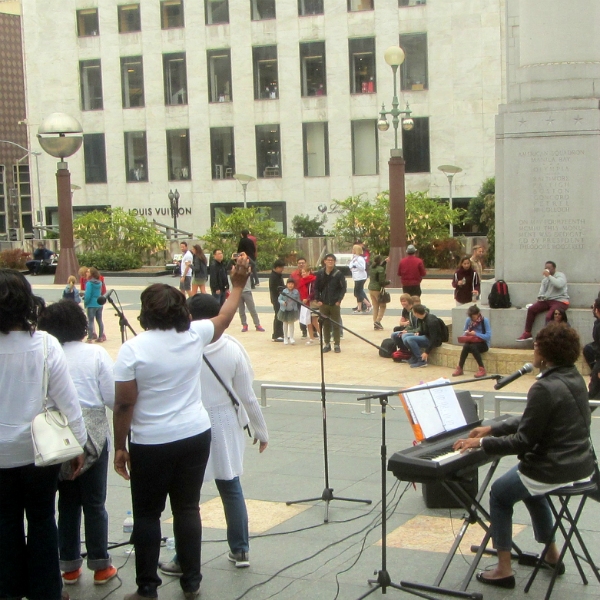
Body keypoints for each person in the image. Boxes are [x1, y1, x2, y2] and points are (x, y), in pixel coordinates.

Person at [113, 255, 251, 600]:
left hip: (151, 441)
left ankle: (147, 588)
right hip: (194, 435)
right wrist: (236, 285)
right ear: (180, 311)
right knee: (187, 509)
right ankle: (192, 582)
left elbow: (125, 404)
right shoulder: (194, 335)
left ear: (146, 313)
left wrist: (119, 445)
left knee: (148, 514)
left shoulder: (132, 350)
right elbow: (225, 316)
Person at [453, 323, 594, 589]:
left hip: (552, 469)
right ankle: (552, 554)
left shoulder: (543, 387)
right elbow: (535, 418)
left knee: (500, 493)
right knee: (529, 488)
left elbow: (524, 441)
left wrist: (483, 443)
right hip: (580, 466)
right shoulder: (573, 376)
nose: (533, 349)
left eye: (536, 345)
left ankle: (504, 569)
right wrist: (493, 427)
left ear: (544, 351)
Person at [159, 295, 269, 576]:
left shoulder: (180, 347)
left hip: (190, 422)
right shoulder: (232, 348)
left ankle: (184, 560)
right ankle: (241, 548)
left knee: (186, 497)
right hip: (225, 422)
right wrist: (261, 429)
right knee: (230, 485)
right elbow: (247, 395)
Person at [0, 269, 86, 600]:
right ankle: (46, 589)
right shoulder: (46, 344)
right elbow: (68, 401)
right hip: (39, 451)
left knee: (5, 522)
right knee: (41, 520)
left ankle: (9, 587)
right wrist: (77, 444)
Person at [37, 300, 117, 587]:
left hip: (57, 435)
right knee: (95, 502)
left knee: (67, 503)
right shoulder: (95, 353)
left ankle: (69, 566)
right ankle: (100, 565)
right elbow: (112, 397)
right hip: (93, 433)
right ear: (81, 325)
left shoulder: (45, 353)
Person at [516, 261, 569, 341]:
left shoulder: (560, 276)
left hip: (560, 300)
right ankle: (527, 333)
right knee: (531, 309)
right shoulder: (545, 278)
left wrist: (549, 276)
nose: (547, 269)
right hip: (547, 300)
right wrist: (540, 297)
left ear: (554, 268)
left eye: (549, 268)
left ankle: (547, 337)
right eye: (545, 268)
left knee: (549, 316)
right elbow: (542, 290)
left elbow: (559, 284)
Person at [315, 253, 346, 353]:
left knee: (336, 324)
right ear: (324, 261)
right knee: (325, 324)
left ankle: (337, 344)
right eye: (328, 260)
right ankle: (327, 344)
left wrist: (339, 300)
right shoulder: (320, 273)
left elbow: (343, 288)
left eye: (332, 260)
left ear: (334, 262)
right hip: (323, 303)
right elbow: (316, 288)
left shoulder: (338, 274)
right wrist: (318, 299)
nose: (330, 262)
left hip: (334, 303)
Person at [452, 305, 491, 378]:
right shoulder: (468, 320)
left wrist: (476, 334)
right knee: (466, 346)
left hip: (483, 344)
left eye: (474, 317)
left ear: (478, 314)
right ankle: (460, 367)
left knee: (473, 346)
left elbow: (488, 336)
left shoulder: (484, 321)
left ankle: (482, 368)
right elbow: (465, 332)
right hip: (471, 342)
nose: (472, 319)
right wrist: (466, 333)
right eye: (471, 317)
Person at [402, 303, 443, 368]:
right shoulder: (422, 318)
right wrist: (419, 332)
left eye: (413, 312)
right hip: (426, 336)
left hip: (433, 340)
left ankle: (421, 361)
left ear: (416, 313)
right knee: (405, 337)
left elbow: (434, 338)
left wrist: (426, 352)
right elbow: (425, 330)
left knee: (410, 339)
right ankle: (414, 357)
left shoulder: (431, 321)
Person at [234, 254, 265, 333]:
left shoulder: (247, 268)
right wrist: (233, 258)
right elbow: (227, 266)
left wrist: (247, 255)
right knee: (241, 310)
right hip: (238, 292)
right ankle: (244, 325)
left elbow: (253, 264)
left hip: (247, 291)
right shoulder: (235, 269)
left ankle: (257, 324)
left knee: (252, 309)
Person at [368, 255, 390, 331]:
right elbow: (381, 281)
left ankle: (375, 323)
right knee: (383, 306)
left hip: (371, 288)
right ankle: (378, 321)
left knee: (375, 307)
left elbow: (378, 268)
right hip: (377, 289)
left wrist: (385, 262)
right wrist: (389, 282)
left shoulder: (371, 267)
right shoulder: (380, 269)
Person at [84, 267, 106, 343]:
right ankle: (101, 337)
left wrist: (85, 302)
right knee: (99, 320)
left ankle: (90, 338)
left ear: (91, 274)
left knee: (90, 321)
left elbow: (88, 295)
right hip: (99, 304)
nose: (86, 273)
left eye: (88, 272)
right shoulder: (99, 282)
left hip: (91, 304)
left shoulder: (89, 283)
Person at [349, 244, 372, 314]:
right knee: (358, 292)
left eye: (353, 249)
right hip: (356, 277)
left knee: (357, 293)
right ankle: (359, 308)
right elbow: (350, 265)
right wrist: (352, 266)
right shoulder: (354, 258)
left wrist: (356, 265)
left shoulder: (360, 258)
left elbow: (362, 268)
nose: (352, 250)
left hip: (361, 277)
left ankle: (368, 304)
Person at [278, 278, 300, 345]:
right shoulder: (284, 291)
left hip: (292, 309)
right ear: (286, 284)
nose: (290, 285)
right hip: (284, 309)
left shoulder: (296, 292)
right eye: (289, 284)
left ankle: (291, 337)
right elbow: (279, 299)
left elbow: (298, 299)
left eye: (292, 284)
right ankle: (285, 337)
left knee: (291, 323)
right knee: (285, 323)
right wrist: (282, 302)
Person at [269, 259, 285, 342]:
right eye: (281, 268)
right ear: (277, 267)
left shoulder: (278, 275)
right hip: (276, 299)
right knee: (278, 316)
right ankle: (276, 335)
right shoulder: (273, 276)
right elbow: (275, 289)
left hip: (280, 298)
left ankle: (281, 333)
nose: (282, 269)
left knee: (280, 316)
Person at [583, 299, 600, 369]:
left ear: (597, 310)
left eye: (594, 306)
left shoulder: (598, 326)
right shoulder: (597, 323)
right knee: (588, 348)